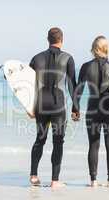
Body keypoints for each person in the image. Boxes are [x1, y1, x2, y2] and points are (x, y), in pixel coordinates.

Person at [29, 27, 79, 188]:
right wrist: (75, 108)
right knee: (58, 142)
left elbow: (27, 85)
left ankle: (34, 176)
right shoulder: (68, 58)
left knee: (40, 139)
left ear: (47, 39)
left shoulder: (36, 58)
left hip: (41, 105)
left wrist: (29, 106)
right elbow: (73, 86)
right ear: (61, 40)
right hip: (58, 107)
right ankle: (55, 180)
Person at [74, 36, 109, 187]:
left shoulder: (85, 67)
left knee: (93, 145)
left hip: (93, 109)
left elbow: (79, 89)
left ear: (94, 48)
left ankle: (93, 181)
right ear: (106, 48)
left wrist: (75, 108)